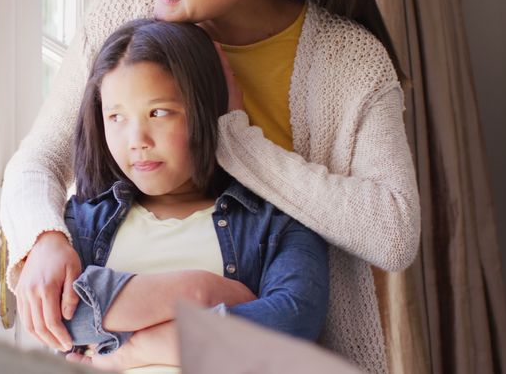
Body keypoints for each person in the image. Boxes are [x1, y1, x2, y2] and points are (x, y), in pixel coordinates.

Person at [0, 0, 420, 373]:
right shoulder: (126, 14)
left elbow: (394, 233)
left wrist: (236, 138)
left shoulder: (350, 64)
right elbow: (38, 160)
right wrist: (43, 240)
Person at [59, 19, 329, 372]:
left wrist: (144, 347)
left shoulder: (276, 223)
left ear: (203, 108)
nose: (137, 138)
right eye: (116, 117)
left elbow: (290, 326)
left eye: (158, 112)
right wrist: (198, 290)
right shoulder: (82, 222)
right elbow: (62, 317)